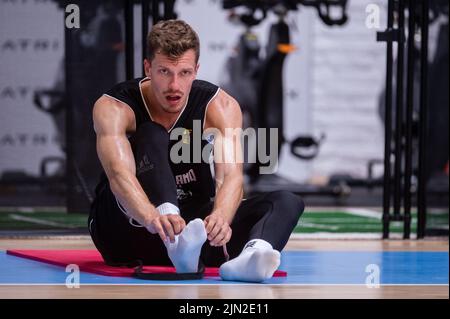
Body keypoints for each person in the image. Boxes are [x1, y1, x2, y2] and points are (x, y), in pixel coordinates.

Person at [88, 19, 304, 282]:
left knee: (286, 201)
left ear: (196, 70)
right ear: (148, 68)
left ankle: (251, 259)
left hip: (192, 242)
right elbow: (120, 177)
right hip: (129, 230)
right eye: (164, 72)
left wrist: (221, 218)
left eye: (185, 73)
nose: (174, 86)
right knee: (152, 132)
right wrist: (153, 217)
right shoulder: (115, 106)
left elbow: (230, 177)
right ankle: (173, 231)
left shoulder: (219, 106)